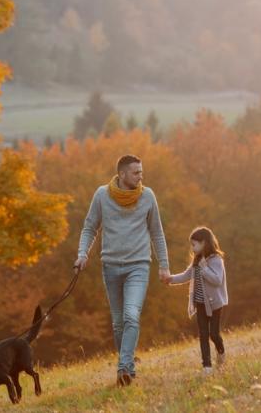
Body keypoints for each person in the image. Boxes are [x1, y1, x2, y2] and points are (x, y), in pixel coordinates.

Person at [73, 154, 171, 387]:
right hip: (111, 266)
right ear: (122, 174)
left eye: (141, 172)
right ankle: (128, 367)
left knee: (131, 315)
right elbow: (89, 227)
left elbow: (157, 233)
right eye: (136, 172)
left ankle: (123, 369)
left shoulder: (147, 196)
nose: (141, 176)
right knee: (118, 323)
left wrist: (164, 265)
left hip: (138, 265)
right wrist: (82, 254)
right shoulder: (101, 195)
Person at [168, 227, 228, 375]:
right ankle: (206, 366)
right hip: (200, 303)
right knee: (203, 334)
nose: (192, 248)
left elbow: (217, 280)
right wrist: (170, 279)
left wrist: (205, 269)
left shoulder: (216, 260)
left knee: (213, 334)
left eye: (194, 244)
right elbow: (185, 275)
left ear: (204, 243)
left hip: (215, 304)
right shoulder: (197, 261)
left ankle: (221, 353)